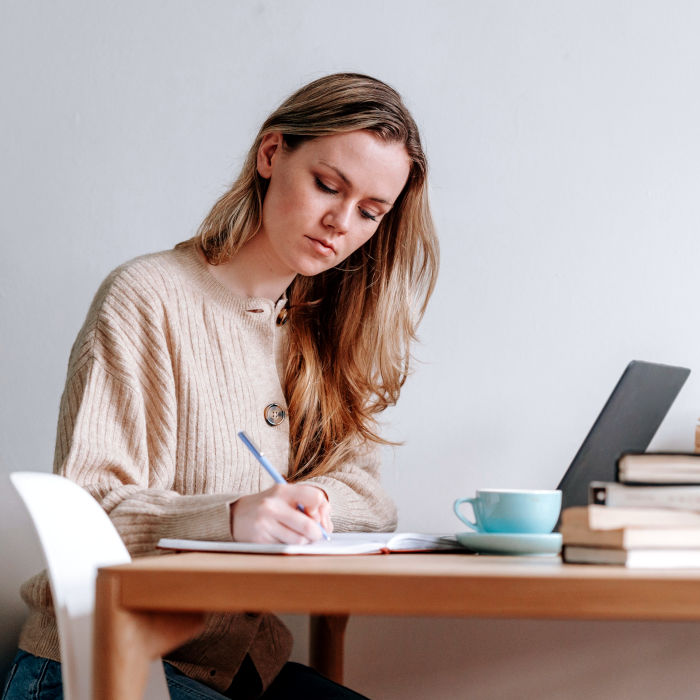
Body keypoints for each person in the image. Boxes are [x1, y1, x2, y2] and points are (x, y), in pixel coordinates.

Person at [2, 72, 439, 699]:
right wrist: (233, 518)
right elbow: (88, 514)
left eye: (370, 212)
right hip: (97, 669)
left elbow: (368, 498)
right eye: (326, 185)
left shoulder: (318, 331)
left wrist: (307, 505)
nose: (340, 222)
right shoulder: (147, 298)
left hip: (240, 672)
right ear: (270, 154)